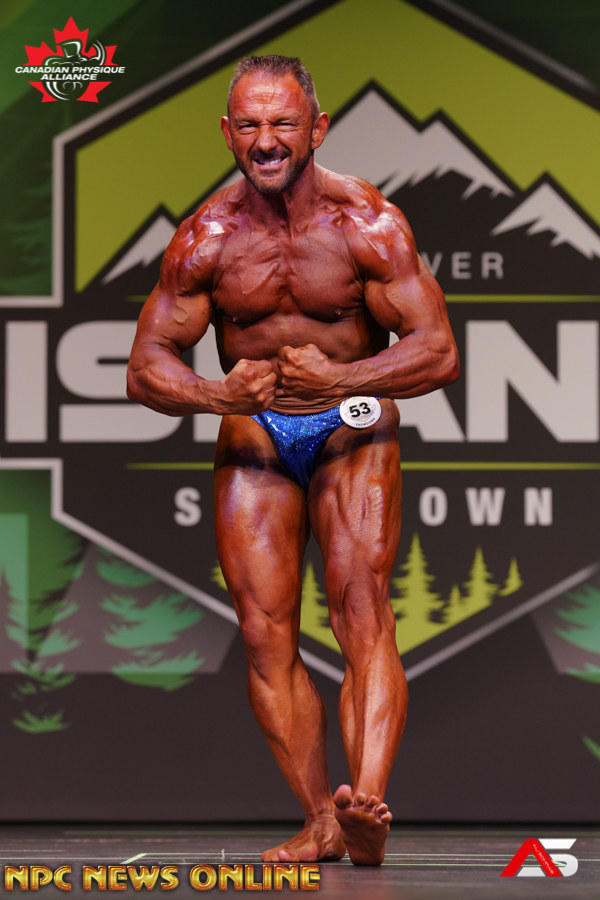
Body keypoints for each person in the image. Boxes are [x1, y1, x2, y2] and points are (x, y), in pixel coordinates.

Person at [127, 54, 459, 866]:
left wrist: (342, 378)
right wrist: (216, 395)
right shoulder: (205, 238)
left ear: (318, 128)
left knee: (360, 608)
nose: (266, 139)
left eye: (282, 122)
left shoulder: (367, 223)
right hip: (254, 433)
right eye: (249, 124)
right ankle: (321, 819)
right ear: (228, 132)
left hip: (350, 426)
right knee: (263, 631)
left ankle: (366, 804)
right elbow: (146, 367)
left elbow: (438, 351)